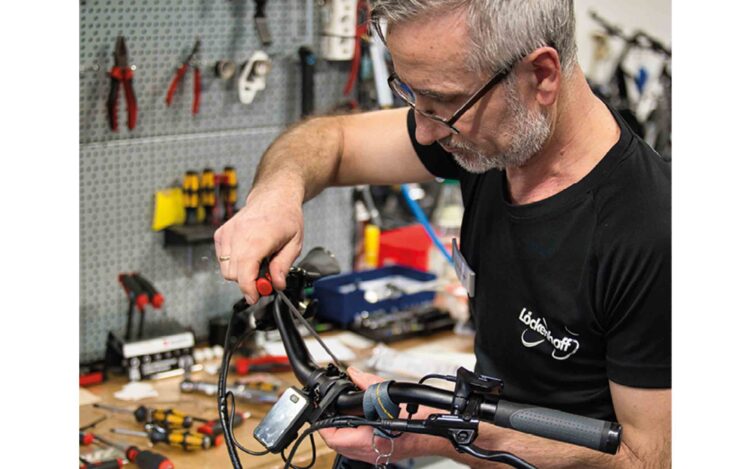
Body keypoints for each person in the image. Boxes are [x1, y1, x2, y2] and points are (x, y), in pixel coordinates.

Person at [214, 0, 671, 467]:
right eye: (411, 94)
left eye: (444, 102)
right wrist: (274, 196)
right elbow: (335, 141)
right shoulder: (490, 142)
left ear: (541, 76)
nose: (425, 133)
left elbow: (647, 459)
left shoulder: (652, 231)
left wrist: (440, 436)